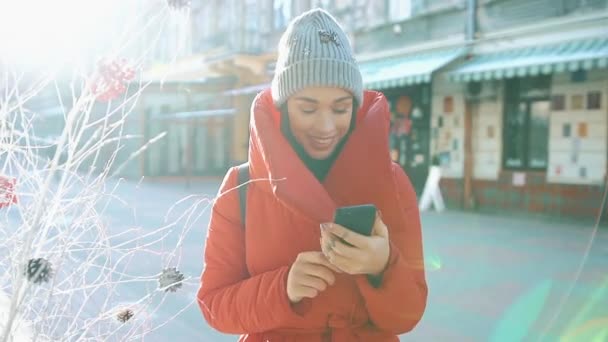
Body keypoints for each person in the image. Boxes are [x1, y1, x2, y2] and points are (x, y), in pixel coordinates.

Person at [197, 8, 427, 342]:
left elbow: (409, 314)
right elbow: (213, 305)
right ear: (283, 106)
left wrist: (384, 265)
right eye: (307, 108)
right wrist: (282, 288)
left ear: (356, 104)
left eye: (340, 108)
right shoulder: (241, 186)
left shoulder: (393, 183)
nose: (325, 126)